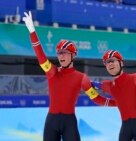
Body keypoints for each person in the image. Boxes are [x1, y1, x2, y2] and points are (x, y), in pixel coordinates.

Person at [22, 11, 116, 141]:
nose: (61, 56)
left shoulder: (81, 77)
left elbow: (97, 98)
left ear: (73, 55)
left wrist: (118, 103)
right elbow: (41, 57)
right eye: (59, 53)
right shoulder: (52, 72)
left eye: (65, 53)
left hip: (69, 123)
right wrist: (32, 32)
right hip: (51, 122)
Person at [93, 50, 136, 141]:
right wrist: (89, 90)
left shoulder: (135, 78)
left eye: (112, 61)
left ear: (121, 63)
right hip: (126, 126)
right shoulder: (109, 86)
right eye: (107, 62)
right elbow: (98, 98)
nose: (110, 64)